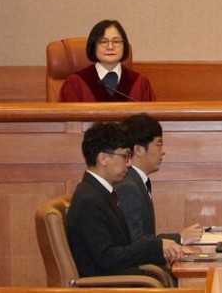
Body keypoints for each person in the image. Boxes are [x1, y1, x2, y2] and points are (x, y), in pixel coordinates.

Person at [65, 122, 176, 281]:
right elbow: (107, 257)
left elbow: (122, 247)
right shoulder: (89, 199)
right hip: (108, 285)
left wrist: (159, 247)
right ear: (103, 158)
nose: (129, 163)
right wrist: (155, 248)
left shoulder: (99, 192)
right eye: (125, 156)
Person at [116, 114, 203, 252]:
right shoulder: (128, 186)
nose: (162, 152)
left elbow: (145, 239)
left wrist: (178, 239)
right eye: (158, 145)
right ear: (138, 149)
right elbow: (136, 243)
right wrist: (179, 239)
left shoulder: (136, 181)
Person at [59, 20, 156, 102]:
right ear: (93, 46)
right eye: (103, 42)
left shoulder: (141, 84)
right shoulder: (75, 84)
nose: (110, 47)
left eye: (116, 41)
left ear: (124, 46)